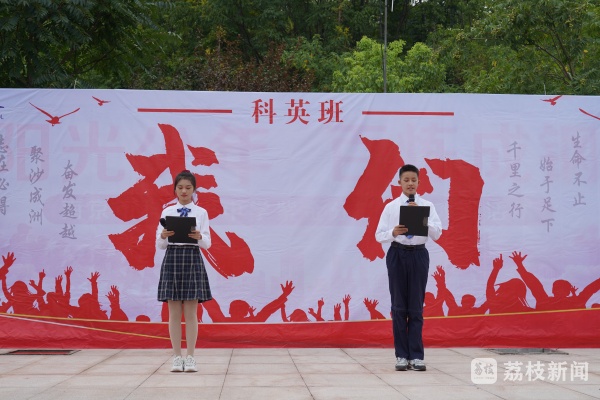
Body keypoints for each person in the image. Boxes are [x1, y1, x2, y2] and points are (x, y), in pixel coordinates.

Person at [375, 164, 442, 372]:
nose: (410, 183)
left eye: (414, 180)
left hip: (419, 255)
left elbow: (437, 233)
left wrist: (422, 220)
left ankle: (417, 356)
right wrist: (393, 232)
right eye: (406, 180)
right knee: (398, 306)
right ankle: (402, 355)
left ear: (419, 182)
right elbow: (379, 235)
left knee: (416, 306)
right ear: (399, 182)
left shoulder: (427, 206)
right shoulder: (391, 207)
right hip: (397, 253)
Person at [157, 170, 212, 373]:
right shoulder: (167, 212)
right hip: (172, 257)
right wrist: (163, 235)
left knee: (191, 312)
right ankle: (176, 357)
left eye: (188, 187)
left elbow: (207, 243)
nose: (184, 191)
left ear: (194, 189)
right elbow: (160, 245)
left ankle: (190, 357)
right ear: (175, 189)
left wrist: (199, 237)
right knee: (173, 313)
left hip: (192, 257)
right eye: (180, 187)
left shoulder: (201, 212)